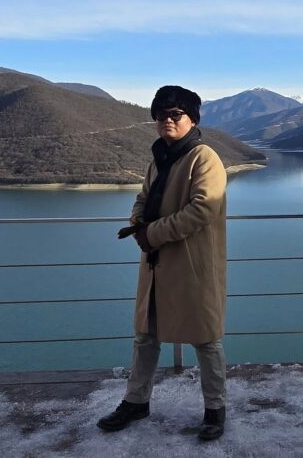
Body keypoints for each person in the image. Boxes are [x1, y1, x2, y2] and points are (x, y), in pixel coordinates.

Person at [97, 85, 229, 441]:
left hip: (191, 265)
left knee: (206, 339)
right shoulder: (158, 159)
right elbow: (143, 197)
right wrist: (138, 222)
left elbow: (202, 210)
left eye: (175, 114)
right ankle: (136, 401)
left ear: (191, 119)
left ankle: (215, 410)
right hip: (157, 265)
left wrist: (151, 234)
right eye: (161, 115)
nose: (167, 121)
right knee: (146, 336)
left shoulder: (204, 158)